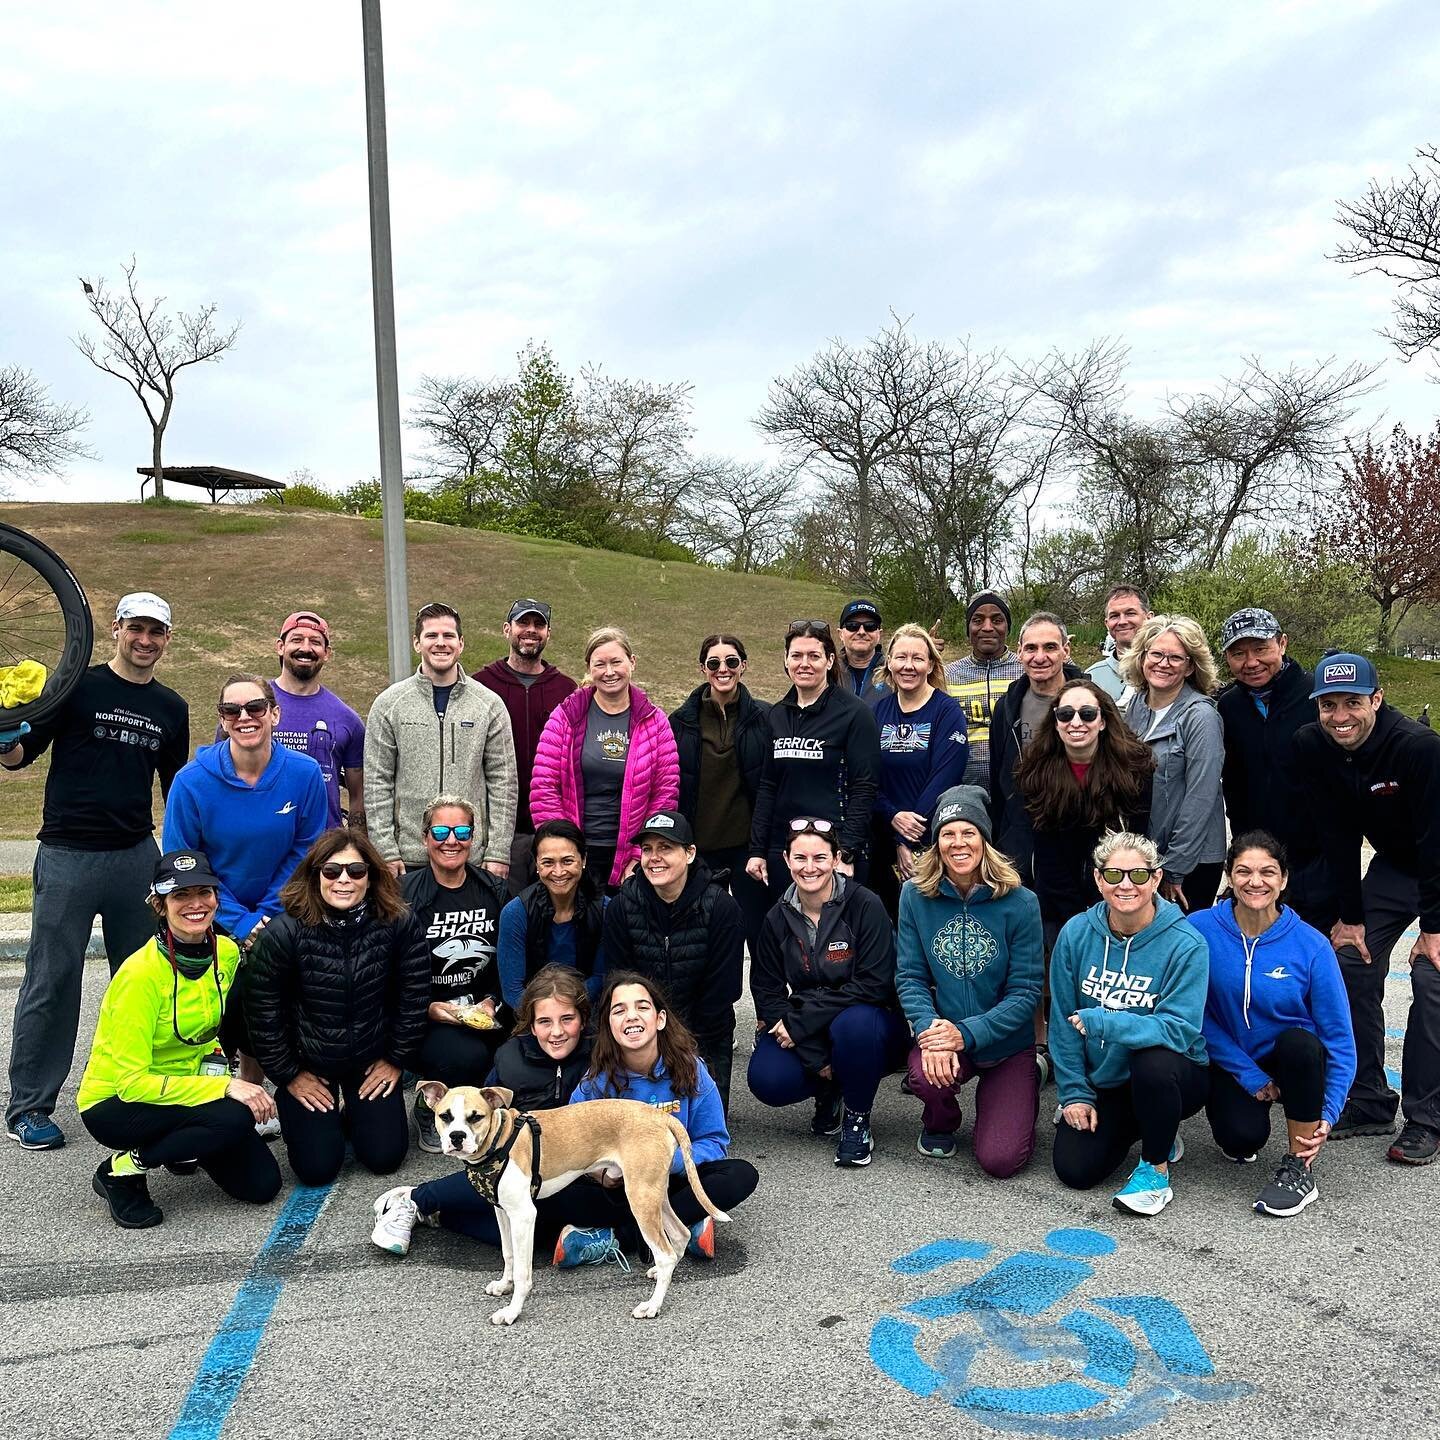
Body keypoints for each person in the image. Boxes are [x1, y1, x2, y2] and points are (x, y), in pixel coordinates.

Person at [3, 591, 189, 1152]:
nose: (145, 640)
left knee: (146, 983)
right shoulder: (75, 686)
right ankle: (30, 1106)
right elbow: (19, 757)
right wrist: (7, 738)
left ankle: (147, 1093)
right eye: (136, 628)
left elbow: (176, 789)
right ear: (114, 628)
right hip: (66, 855)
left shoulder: (171, 707)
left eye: (156, 631)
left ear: (166, 640)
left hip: (135, 855)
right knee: (51, 980)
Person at [1289, 652, 1440, 1164]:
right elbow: (1337, 834)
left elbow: (1436, 840)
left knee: (1431, 978)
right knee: (1350, 962)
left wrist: (1435, 929)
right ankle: (1370, 1097)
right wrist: (1349, 917)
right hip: (1395, 869)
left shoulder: (1418, 748)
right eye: (1328, 705)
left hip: (1439, 862)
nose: (1340, 716)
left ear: (1376, 698)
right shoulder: (1313, 744)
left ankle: (1427, 1118)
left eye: (1353, 702)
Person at [78, 850, 281, 1228]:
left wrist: (219, 1069)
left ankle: (187, 1140)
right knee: (234, 1114)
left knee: (262, 1185)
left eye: (204, 892)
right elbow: (131, 1082)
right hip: (118, 1101)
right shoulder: (139, 976)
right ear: (160, 905)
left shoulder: (226, 951)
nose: (195, 904)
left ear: (217, 898)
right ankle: (122, 1169)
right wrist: (225, 1088)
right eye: (180, 896)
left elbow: (209, 1033)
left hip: (188, 1085)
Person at [244, 830, 430, 1186]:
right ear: (315, 875)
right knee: (317, 1170)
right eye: (332, 871)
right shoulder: (284, 932)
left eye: (356, 871)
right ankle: (312, 1117)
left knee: (384, 1158)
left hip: (371, 1057)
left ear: (371, 876)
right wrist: (289, 1075)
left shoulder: (399, 923)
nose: (344, 880)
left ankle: (353, 1117)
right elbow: (263, 1014)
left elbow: (414, 996)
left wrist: (395, 1060)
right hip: (310, 1063)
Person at [370, 965, 592, 1255]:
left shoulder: (598, 1055)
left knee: (541, 1232)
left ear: (583, 1020)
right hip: (516, 1162)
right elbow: (479, 1113)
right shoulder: (510, 1057)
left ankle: (438, 1212)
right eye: (544, 1022)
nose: (557, 1032)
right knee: (503, 1185)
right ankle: (415, 1200)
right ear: (531, 1024)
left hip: (571, 1161)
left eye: (567, 1019)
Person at [1189, 832, 1356, 1217]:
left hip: (1292, 1059)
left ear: (1283, 880)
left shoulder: (1310, 944)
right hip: (1233, 1060)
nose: (1255, 881)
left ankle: (1299, 1167)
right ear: (1229, 876)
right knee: (1240, 1139)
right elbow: (1196, 1014)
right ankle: (1245, 1125)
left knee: (1301, 1043)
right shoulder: (1199, 929)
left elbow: (1339, 1040)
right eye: (1243, 871)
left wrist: (1327, 1117)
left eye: (1268, 872)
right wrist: (1249, 1075)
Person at [1049, 831, 1209, 1217]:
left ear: (1155, 879)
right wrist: (1074, 1093)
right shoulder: (1075, 933)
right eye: (1114, 874)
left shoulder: (1186, 944)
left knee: (1152, 1061)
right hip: (1105, 1078)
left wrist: (1105, 1023)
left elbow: (1178, 1028)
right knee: (1076, 1170)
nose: (1126, 885)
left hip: (1171, 1073)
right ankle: (1156, 1126)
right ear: (1099, 879)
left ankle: (1155, 1171)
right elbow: (1060, 1020)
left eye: (1138, 876)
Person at [551, 972, 759, 1268]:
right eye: (619, 1010)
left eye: (642, 1007)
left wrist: (661, 1161)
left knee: (740, 1175)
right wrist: (603, 1175)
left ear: (660, 1019)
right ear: (609, 1026)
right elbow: (572, 1151)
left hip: (672, 1181)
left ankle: (619, 1236)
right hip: (617, 1187)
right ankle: (681, 1229)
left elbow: (715, 1141)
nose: (631, 1016)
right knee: (549, 1192)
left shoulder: (691, 1070)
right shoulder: (594, 1084)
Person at [895, 786, 1042, 1175]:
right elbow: (910, 976)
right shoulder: (913, 896)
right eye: (947, 833)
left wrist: (965, 1033)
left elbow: (1025, 993)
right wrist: (931, 1032)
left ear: (984, 840)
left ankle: (1028, 1081)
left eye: (968, 833)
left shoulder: (1021, 902)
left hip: (1007, 1045)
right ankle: (941, 1120)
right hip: (945, 1035)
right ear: (936, 842)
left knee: (1000, 1160)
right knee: (926, 1075)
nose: (958, 843)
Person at [747, 817, 908, 1167]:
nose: (810, 868)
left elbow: (875, 983)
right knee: (767, 1079)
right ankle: (829, 1088)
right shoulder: (776, 917)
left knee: (853, 1026)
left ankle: (857, 1118)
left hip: (873, 1022)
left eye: (819, 858)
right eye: (800, 858)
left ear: (835, 860)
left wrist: (802, 1023)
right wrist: (813, 1056)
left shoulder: (865, 904)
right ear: (786, 860)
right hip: (814, 1028)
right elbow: (766, 989)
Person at [164, 673, 328, 954]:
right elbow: (182, 860)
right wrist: (238, 920)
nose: (244, 717)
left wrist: (266, 916)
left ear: (274, 714)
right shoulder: (190, 782)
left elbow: (306, 850)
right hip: (209, 919)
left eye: (255, 707)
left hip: (285, 916)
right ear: (222, 720)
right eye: (231, 710)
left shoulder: (306, 773)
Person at [599, 811, 744, 1108]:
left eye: (666, 848)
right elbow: (619, 982)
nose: (655, 858)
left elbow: (725, 989)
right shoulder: (621, 908)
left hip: (704, 1031)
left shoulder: (722, 908)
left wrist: (679, 1042)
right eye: (648, 849)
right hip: (642, 1029)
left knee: (702, 1132)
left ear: (689, 853)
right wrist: (651, 1034)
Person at [365, 601, 518, 879]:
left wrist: (497, 851)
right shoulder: (389, 704)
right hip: (407, 857)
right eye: (431, 636)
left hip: (470, 854)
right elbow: (377, 782)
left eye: (448, 636)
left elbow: (504, 782)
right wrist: (385, 849)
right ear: (416, 643)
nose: (440, 643)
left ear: (460, 643)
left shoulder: (488, 705)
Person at [530, 627, 679, 892]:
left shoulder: (656, 722)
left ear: (632, 662)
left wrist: (640, 854)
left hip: (631, 856)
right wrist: (564, 851)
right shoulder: (565, 716)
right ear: (589, 668)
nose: (609, 672)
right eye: (600, 664)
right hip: (574, 854)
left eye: (616, 662)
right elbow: (544, 788)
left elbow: (664, 794)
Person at [400, 795, 510, 1152]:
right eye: (441, 831)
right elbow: (391, 972)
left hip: (485, 1008)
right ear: (424, 837)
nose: (452, 840)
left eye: (462, 830)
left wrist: (492, 1001)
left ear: (473, 837)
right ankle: (432, 1103)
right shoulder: (404, 896)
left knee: (516, 1051)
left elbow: (507, 958)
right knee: (468, 1057)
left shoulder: (494, 890)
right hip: (427, 1015)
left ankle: (484, 1114)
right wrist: (428, 1007)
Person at [746, 620, 881, 896]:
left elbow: (864, 787)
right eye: (796, 656)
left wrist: (846, 852)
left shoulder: (854, 714)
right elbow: (768, 786)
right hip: (784, 852)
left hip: (832, 852)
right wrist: (758, 850)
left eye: (814, 656)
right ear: (786, 660)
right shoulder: (776, 716)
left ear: (830, 660)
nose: (804, 663)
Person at [1014, 678, 1154, 943]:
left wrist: (1108, 907)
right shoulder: (1035, 773)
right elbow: (1047, 855)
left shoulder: (1135, 770)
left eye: (1087, 714)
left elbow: (1137, 841)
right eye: (1066, 714)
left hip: (1118, 893)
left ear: (1102, 721)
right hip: (1057, 903)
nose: (1076, 722)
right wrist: (1079, 918)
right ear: (1055, 722)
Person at [1216, 608, 1324, 925]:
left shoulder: (1317, 694)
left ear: (1282, 644)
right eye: (1239, 653)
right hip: (1259, 860)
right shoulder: (1229, 706)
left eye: (1261, 649)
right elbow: (1233, 783)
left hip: (1318, 859)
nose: (1251, 662)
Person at [670, 632, 772, 957]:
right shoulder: (680, 723)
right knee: (706, 942)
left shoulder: (765, 718)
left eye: (731, 661)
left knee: (760, 937)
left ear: (743, 666)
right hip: (700, 851)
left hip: (748, 850)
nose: (722, 669)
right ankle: (715, 1010)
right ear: (703, 668)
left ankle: (769, 1009)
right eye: (713, 663)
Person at [220, 610, 365, 832]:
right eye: (296, 639)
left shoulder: (348, 720)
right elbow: (219, 778)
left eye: (315, 642)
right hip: (256, 840)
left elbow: (359, 795)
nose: (305, 648)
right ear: (280, 646)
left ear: (326, 653)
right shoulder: (247, 709)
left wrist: (355, 846)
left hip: (322, 850)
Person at [1119, 615, 1226, 913]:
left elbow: (1201, 798)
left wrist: (1175, 867)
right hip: (1148, 856)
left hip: (1191, 862)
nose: (1163, 663)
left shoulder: (1201, 717)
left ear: (1191, 666)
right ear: (1142, 657)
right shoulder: (1137, 706)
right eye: (1156, 654)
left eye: (1175, 657)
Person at [472, 599, 577, 893]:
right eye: (523, 623)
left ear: (548, 633)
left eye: (538, 625)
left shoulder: (567, 690)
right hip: (498, 833)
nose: (530, 631)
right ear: (507, 629)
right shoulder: (480, 686)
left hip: (554, 827)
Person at [871, 623, 969, 916]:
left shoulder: (946, 711)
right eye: (901, 657)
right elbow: (866, 778)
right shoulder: (877, 713)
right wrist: (893, 818)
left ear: (930, 664)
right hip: (883, 838)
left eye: (917, 658)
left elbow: (945, 778)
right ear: (889, 663)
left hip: (932, 842)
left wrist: (907, 840)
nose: (908, 666)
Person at [989, 612, 1084, 875]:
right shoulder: (1007, 708)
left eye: (1050, 647)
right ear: (1019, 652)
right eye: (1031, 648)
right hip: (1019, 838)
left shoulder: (1092, 703)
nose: (1039, 657)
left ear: (1066, 651)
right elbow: (998, 778)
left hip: (1075, 837)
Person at [497, 819, 608, 1009]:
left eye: (567, 861)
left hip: (589, 1010)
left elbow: (601, 978)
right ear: (537, 864)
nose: (558, 872)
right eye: (548, 862)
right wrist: (547, 1018)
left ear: (584, 860)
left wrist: (567, 1013)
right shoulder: (516, 913)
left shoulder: (604, 910)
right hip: (532, 1016)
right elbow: (513, 990)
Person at [943, 589, 1023, 796]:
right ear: (968, 628)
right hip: (962, 789)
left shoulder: (1027, 670)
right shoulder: (946, 675)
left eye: (997, 620)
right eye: (978, 620)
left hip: (1019, 791)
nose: (987, 627)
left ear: (1007, 627)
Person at [1086, 586, 1151, 702]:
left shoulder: (1164, 670)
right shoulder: (1092, 677)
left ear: (1149, 618)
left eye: (1130, 613)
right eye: (1114, 616)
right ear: (1107, 623)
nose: (1122, 622)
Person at [835, 599, 888, 705]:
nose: (861, 632)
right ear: (840, 634)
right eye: (852, 626)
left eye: (870, 626)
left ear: (879, 634)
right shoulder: (827, 672)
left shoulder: (893, 672)